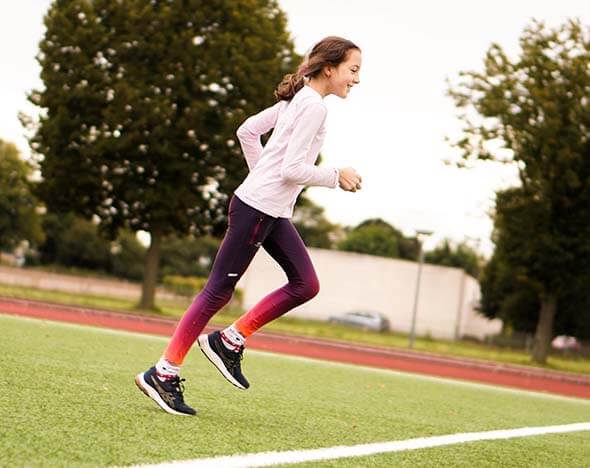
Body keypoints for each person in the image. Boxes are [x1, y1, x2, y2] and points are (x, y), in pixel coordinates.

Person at [135, 36, 363, 416]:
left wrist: (263, 178)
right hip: (257, 209)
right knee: (216, 293)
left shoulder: (298, 99)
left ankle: (229, 340)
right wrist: (335, 175)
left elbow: (247, 131)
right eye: (352, 70)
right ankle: (163, 373)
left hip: (269, 209)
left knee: (306, 284)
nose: (356, 79)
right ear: (329, 68)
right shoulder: (312, 107)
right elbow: (291, 169)